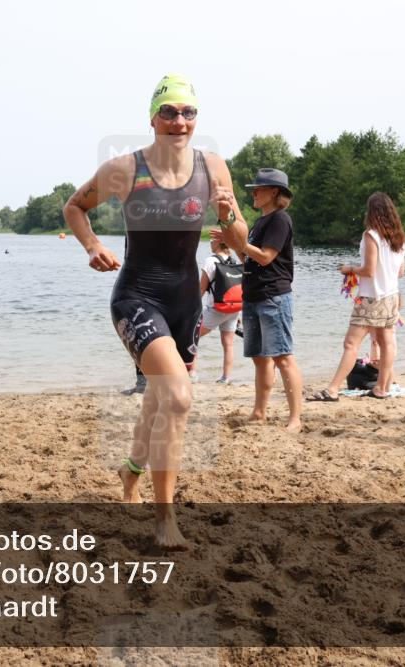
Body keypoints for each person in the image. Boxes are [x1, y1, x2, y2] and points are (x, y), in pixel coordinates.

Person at [63, 74, 245, 549]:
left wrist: (227, 215)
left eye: (188, 113)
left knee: (158, 399)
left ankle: (130, 474)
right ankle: (166, 521)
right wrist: (91, 245)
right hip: (136, 297)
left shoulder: (214, 167)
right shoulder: (126, 168)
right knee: (179, 398)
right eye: (169, 112)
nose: (179, 121)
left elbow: (240, 242)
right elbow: (74, 207)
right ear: (153, 119)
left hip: (186, 302)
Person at [213, 168, 301, 430]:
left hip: (273, 296)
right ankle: (259, 413)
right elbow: (248, 259)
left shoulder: (280, 220)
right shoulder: (261, 222)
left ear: (274, 192)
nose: (254, 193)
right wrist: (231, 239)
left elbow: (265, 257)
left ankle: (295, 418)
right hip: (253, 296)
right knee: (260, 359)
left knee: (283, 357)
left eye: (259, 189)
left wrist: (239, 244)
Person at [307, 193, 405, 401]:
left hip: (371, 298)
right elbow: (400, 272)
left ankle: (332, 390)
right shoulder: (399, 237)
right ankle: (382, 388)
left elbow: (369, 270)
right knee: (387, 342)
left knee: (351, 344)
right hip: (391, 296)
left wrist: (349, 269)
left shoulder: (371, 235)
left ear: (372, 212)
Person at [189, 237, 241, 384]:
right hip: (233, 308)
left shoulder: (210, 261)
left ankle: (192, 373)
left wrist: (190, 305)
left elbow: (201, 288)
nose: (210, 242)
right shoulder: (233, 260)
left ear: (219, 242)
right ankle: (226, 377)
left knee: (191, 336)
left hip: (216, 309)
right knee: (228, 343)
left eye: (212, 240)